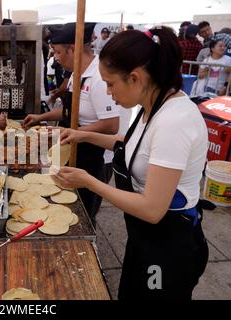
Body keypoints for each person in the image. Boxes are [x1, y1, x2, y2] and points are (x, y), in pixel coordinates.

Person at [54, 27, 209, 300]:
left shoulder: (175, 121)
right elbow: (135, 144)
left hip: (168, 244)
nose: (109, 92)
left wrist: (89, 181)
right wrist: (85, 134)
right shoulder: (153, 105)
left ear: (135, 78)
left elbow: (152, 209)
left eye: (111, 84)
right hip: (146, 238)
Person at [24, 22, 120, 226]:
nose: (56, 58)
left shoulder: (99, 77)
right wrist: (40, 117)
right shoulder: (77, 73)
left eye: (58, 52)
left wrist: (75, 132)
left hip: (96, 156)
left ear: (73, 49)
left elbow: (111, 125)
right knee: (69, 205)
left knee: (84, 212)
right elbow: (71, 111)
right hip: (75, 149)